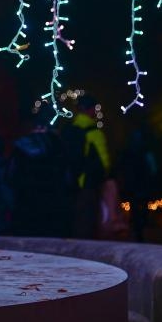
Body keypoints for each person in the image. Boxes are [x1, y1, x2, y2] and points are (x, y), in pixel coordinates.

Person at [10, 108, 72, 237]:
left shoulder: (21, 146)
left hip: (26, 206)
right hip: (54, 207)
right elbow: (67, 178)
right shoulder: (59, 146)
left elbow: (11, 177)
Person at [62, 96, 110, 239]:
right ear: (91, 110)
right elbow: (104, 162)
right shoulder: (93, 133)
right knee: (87, 225)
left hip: (68, 184)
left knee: (73, 223)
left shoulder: (67, 130)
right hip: (87, 184)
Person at [119, 124, 157, 242]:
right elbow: (153, 168)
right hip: (141, 185)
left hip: (134, 185)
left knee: (137, 208)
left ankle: (137, 229)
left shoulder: (128, 152)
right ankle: (138, 229)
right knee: (140, 208)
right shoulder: (145, 152)